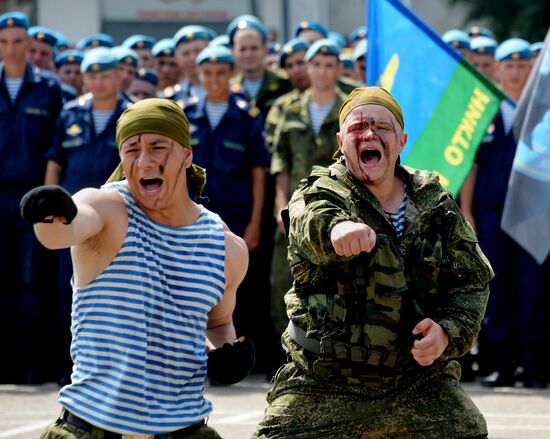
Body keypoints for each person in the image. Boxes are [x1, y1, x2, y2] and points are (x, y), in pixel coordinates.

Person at [252, 87, 494, 438]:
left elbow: (471, 281)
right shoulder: (321, 191)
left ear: (400, 141)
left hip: (415, 382)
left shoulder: (434, 202)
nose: (369, 134)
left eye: (381, 128)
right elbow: (310, 218)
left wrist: (447, 331)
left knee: (468, 429)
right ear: (341, 140)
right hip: (326, 380)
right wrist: (337, 230)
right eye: (357, 128)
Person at [22, 98, 255, 437]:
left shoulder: (226, 246)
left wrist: (224, 352)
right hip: (93, 428)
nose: (144, 161)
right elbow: (64, 230)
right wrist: (50, 212)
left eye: (158, 146)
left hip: (183, 429)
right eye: (132, 149)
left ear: (187, 155)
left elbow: (217, 322)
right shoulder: (108, 208)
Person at [461, 38, 546, 388]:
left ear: (531, 69)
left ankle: (534, 363)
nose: (514, 72)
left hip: (534, 209)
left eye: (521, 65)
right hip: (491, 209)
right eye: (507, 66)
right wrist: (466, 211)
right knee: (498, 284)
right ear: (496, 69)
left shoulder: (543, 109)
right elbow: (470, 164)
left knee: (533, 285)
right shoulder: (482, 110)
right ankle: (501, 362)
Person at [44, 47, 132, 383]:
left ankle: (111, 368)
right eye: (92, 75)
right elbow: (55, 161)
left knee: (112, 293)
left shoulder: (129, 115)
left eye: (105, 75)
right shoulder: (70, 113)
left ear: (118, 76)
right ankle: (71, 366)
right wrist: (50, 204)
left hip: (115, 218)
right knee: (69, 292)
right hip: (71, 220)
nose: (98, 81)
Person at [185, 45, 272, 376]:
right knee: (198, 287)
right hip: (196, 216)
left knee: (244, 288)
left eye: (221, 72)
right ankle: (199, 360)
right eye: (207, 73)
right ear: (199, 75)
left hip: (236, 216)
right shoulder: (187, 113)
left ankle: (242, 358)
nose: (214, 79)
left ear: (230, 74)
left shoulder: (246, 116)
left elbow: (259, 172)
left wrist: (254, 222)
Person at [269, 38, 349, 368]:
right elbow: (281, 163)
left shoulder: (349, 108)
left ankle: (326, 354)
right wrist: (280, 204)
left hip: (335, 208)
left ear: (338, 70)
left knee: (332, 282)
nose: (322, 71)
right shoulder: (289, 109)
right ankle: (286, 354)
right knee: (282, 282)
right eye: (316, 64)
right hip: (294, 208)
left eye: (330, 65)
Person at [0, 11, 63, 384]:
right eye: (4, 42)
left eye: (18, 42)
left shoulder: (49, 89)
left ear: (29, 44)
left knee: (31, 282)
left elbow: (55, 148)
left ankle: (32, 365)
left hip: (30, 200)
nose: (11, 49)